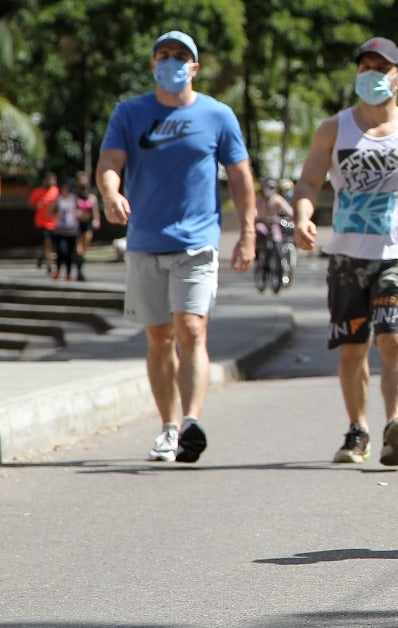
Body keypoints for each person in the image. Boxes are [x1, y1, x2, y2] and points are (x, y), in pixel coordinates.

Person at [293, 36, 398, 468]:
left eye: (380, 67)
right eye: (364, 66)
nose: (370, 74)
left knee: (394, 340)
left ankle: (395, 425)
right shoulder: (334, 128)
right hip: (347, 256)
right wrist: (301, 216)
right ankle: (358, 430)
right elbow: (309, 182)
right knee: (353, 348)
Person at [96, 29, 257, 464]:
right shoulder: (130, 113)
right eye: (163, 55)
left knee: (191, 329)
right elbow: (110, 163)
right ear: (153, 65)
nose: (171, 62)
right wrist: (111, 194)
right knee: (159, 337)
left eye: (180, 56)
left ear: (195, 68)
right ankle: (167, 427)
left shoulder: (218, 115)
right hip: (146, 241)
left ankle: (190, 422)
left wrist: (248, 232)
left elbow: (241, 176)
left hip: (197, 242)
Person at [48, 177, 82, 281]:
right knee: (60, 251)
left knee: (69, 253)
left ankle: (68, 273)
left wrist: (79, 214)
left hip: (72, 229)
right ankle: (57, 271)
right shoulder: (58, 199)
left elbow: (82, 212)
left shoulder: (74, 198)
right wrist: (55, 216)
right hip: (60, 229)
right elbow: (49, 212)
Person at [74, 171, 102, 281]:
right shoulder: (74, 196)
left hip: (87, 224)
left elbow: (95, 211)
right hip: (76, 224)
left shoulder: (91, 197)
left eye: (85, 180)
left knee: (85, 245)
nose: (83, 182)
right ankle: (79, 270)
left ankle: (80, 260)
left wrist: (96, 220)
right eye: (81, 180)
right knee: (78, 247)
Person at [28, 171, 58, 273]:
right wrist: (37, 206)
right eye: (48, 180)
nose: (50, 182)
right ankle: (49, 265)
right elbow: (31, 204)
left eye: (52, 180)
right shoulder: (38, 192)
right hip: (42, 223)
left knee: (49, 244)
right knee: (47, 242)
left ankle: (41, 255)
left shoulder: (56, 192)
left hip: (54, 223)